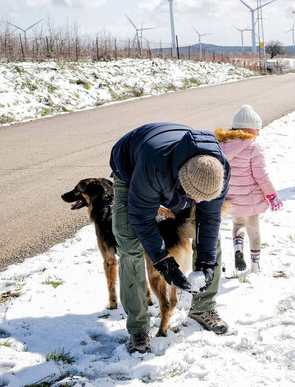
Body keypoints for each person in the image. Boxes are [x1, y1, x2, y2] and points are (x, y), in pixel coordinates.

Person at [110, 123, 231, 353]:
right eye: (195, 198)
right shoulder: (153, 168)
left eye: (202, 200)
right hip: (131, 169)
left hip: (178, 175)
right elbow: (142, 220)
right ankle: (138, 328)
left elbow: (209, 219)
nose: (198, 203)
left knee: (210, 239)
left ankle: (203, 307)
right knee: (130, 246)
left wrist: (206, 263)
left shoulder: (219, 171)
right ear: (181, 183)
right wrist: (164, 263)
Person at [215, 105, 282, 274]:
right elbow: (261, 176)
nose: (258, 133)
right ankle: (255, 265)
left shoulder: (222, 145)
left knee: (238, 224)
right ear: (248, 129)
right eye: (256, 129)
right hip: (250, 198)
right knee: (253, 229)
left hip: (231, 198)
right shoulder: (253, 148)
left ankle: (238, 248)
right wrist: (272, 195)